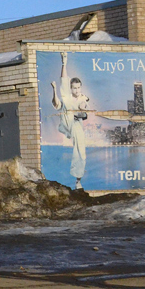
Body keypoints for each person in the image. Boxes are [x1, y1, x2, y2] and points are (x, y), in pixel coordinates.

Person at [50, 51, 89, 190]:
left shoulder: (82, 98)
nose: (77, 90)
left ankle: (78, 181)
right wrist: (64, 63)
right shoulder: (67, 96)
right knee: (63, 91)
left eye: (79, 88)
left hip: (76, 125)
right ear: (72, 88)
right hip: (66, 122)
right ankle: (64, 61)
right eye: (75, 88)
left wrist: (81, 112)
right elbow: (64, 81)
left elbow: (85, 112)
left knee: (81, 153)